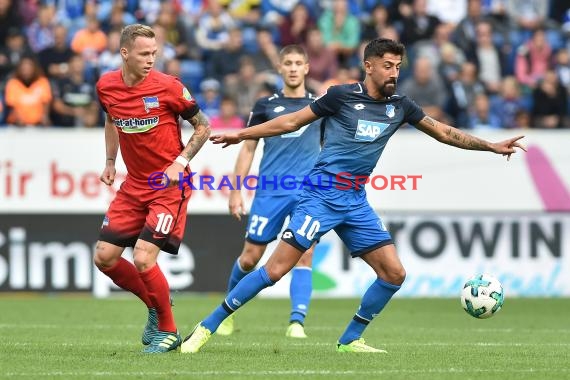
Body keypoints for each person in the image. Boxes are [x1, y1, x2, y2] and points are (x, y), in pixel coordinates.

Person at [181, 38, 525, 354]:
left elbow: (444, 132)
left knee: (394, 273)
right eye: (388, 66)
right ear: (370, 66)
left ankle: (350, 338)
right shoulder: (341, 96)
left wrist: (492, 147)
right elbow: (291, 123)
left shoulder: (400, 106)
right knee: (274, 270)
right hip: (320, 195)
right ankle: (207, 326)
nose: (394, 73)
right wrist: (242, 134)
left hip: (355, 200)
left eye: (398, 67)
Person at [94, 24, 211, 354]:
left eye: (154, 54)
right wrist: (109, 161)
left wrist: (181, 161)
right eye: (144, 54)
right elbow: (111, 120)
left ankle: (169, 331)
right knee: (104, 258)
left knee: (144, 258)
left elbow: (204, 126)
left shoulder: (168, 87)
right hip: (133, 186)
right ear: (125, 53)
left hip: (168, 186)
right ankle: (156, 304)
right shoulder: (106, 86)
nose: (150, 60)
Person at [215, 45, 322, 339]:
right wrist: (235, 191)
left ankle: (297, 322)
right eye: (287, 62)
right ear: (280, 68)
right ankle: (226, 314)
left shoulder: (319, 107)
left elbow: (329, 149)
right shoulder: (264, 105)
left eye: (298, 63)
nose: (292, 68)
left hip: (307, 194)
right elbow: (247, 147)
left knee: (305, 255)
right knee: (250, 257)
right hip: (270, 191)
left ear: (306, 68)